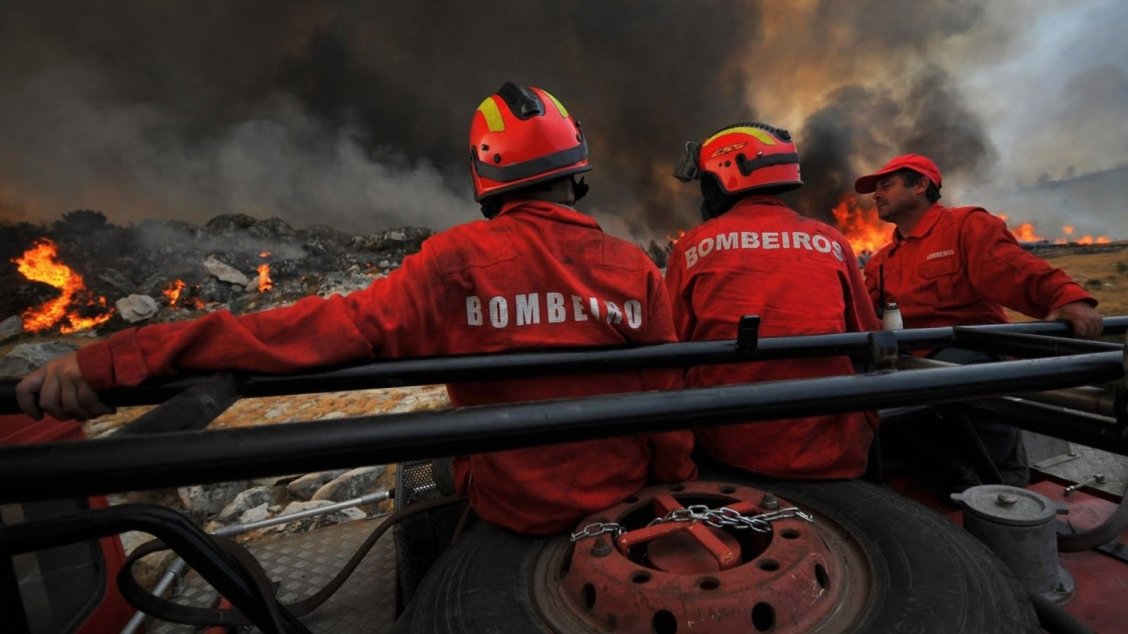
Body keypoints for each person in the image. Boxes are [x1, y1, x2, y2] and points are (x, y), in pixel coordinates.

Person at [16, 82, 697, 536]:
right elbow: (668, 404)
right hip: (622, 496)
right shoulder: (633, 268)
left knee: (422, 495)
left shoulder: (453, 263)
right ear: (577, 170)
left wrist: (122, 356)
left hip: (513, 510)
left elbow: (322, 332)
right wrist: (673, 488)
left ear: (485, 178)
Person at [854, 153, 1103, 491]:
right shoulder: (882, 260)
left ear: (921, 185)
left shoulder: (965, 226)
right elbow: (865, 316)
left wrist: (1066, 296)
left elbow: (1013, 268)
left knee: (952, 370)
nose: (876, 194)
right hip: (911, 369)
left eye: (886, 185)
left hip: (970, 363)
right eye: (875, 188)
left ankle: (998, 470)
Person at [666, 122, 880, 479]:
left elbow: (670, 345)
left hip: (728, 448)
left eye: (704, 182)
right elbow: (867, 336)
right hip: (834, 451)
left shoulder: (694, 246)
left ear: (723, 177)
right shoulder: (831, 241)